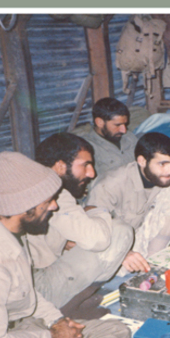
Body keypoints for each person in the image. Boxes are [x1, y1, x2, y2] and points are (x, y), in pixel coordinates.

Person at [0, 151, 137, 338]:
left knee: (116, 332)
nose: (54, 206)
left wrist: (57, 320)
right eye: (47, 201)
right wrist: (53, 337)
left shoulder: (5, 227)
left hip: (21, 324)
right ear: (22, 207)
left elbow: (27, 292)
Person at [28, 133, 133, 319]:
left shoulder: (30, 185)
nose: (92, 173)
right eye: (85, 165)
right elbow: (98, 240)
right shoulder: (55, 193)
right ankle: (66, 309)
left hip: (24, 284)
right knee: (119, 231)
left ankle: (72, 302)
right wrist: (97, 210)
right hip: (35, 291)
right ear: (60, 166)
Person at [87, 132, 170, 274]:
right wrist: (123, 252)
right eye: (163, 164)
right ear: (142, 161)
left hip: (150, 236)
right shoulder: (111, 184)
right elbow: (91, 230)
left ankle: (153, 262)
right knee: (112, 270)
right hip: (116, 241)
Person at [71, 97, 138, 178]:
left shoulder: (129, 137)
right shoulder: (87, 148)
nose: (124, 130)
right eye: (117, 125)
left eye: (125, 124)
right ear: (99, 122)